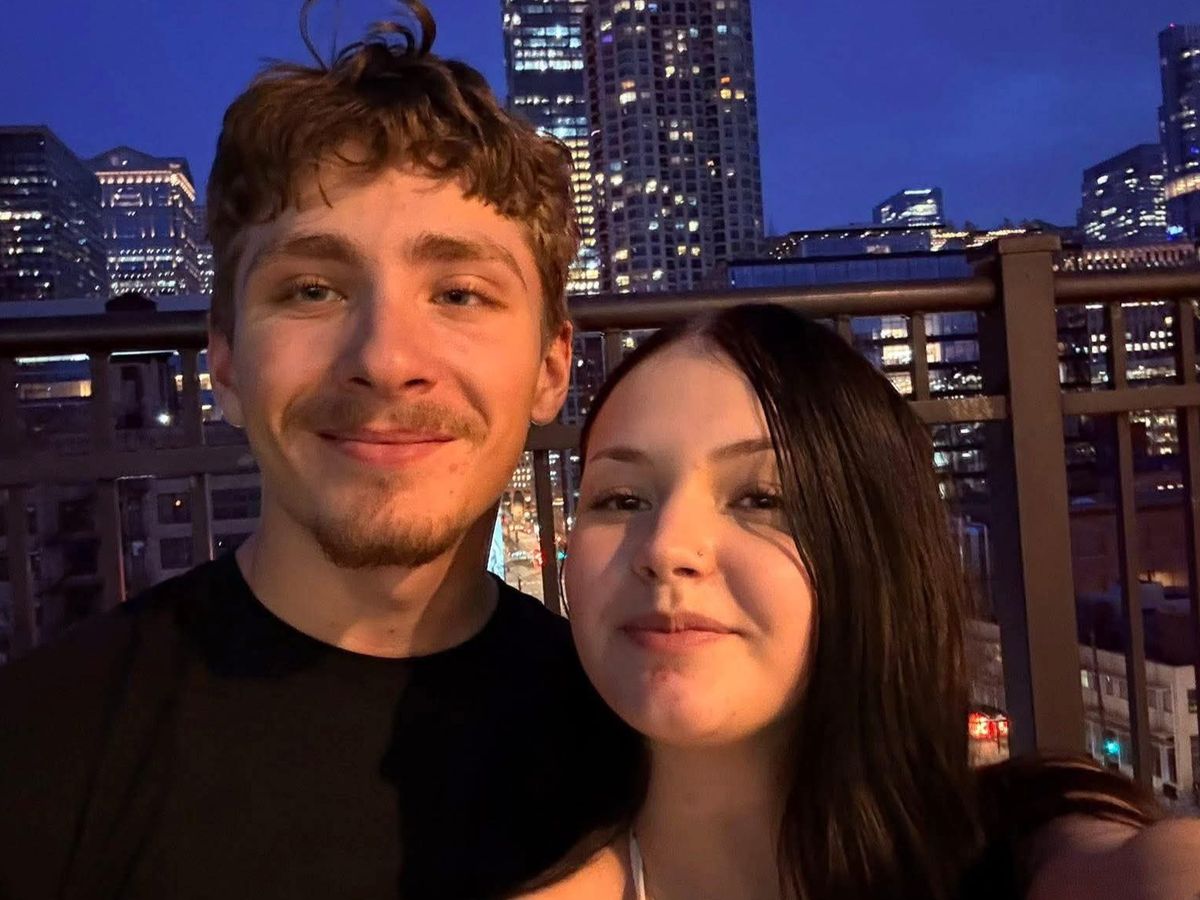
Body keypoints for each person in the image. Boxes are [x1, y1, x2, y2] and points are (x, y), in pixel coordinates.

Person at [0, 4, 637, 899]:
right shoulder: (42, 754)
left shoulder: (644, 745)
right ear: (226, 363)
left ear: (551, 367)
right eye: (311, 290)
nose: (386, 358)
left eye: (459, 293)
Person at [518, 303, 1200, 900]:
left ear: (877, 548)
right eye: (620, 499)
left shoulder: (1037, 846)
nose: (667, 546)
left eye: (760, 498)